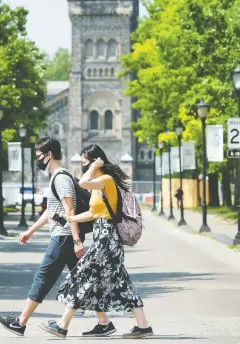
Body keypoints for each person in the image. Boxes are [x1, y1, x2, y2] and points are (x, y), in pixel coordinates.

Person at [0, 137, 109, 336]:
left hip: (64, 237)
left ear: (49, 155)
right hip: (66, 236)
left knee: (43, 277)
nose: (37, 159)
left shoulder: (61, 177)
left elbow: (69, 209)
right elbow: (52, 211)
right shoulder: (56, 177)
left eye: (39, 155)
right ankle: (104, 321)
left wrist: (76, 240)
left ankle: (20, 323)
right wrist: (30, 231)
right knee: (84, 279)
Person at [38, 144, 153, 339]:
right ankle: (141, 326)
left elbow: (82, 183)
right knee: (120, 282)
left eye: (85, 162)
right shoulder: (99, 184)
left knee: (83, 276)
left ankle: (62, 325)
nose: (83, 166)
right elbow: (94, 213)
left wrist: (92, 168)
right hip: (104, 236)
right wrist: (70, 219)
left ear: (96, 161)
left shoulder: (106, 180)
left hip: (107, 239)